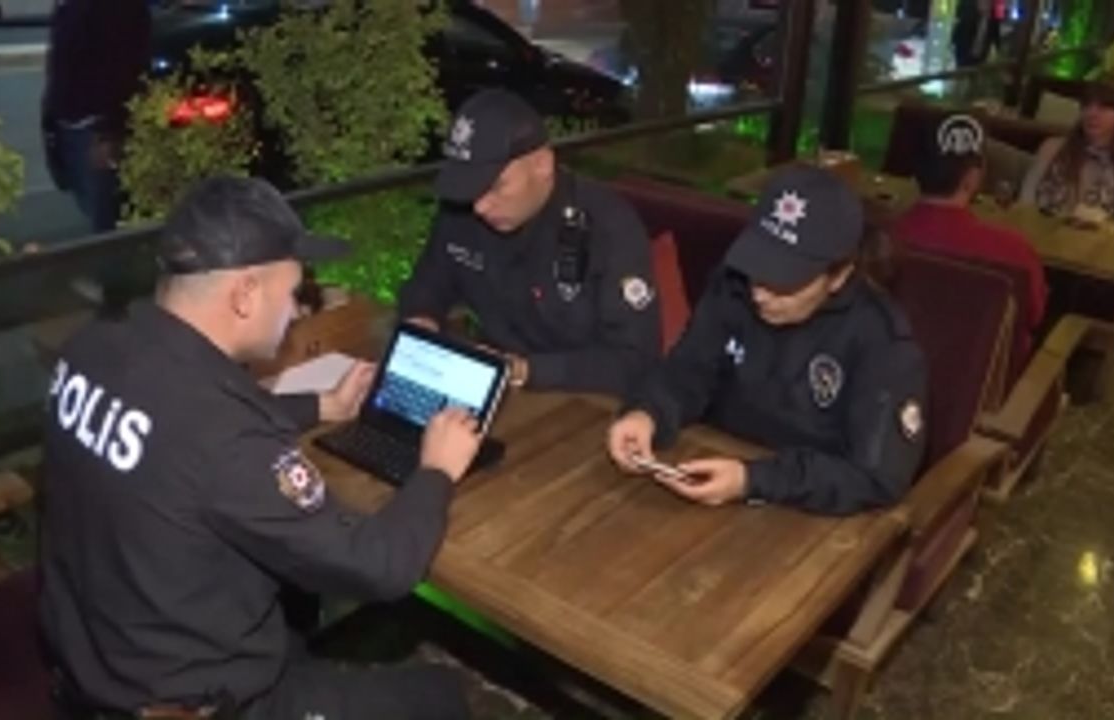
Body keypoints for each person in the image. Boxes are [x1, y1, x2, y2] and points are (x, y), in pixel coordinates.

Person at [39, 176, 479, 720]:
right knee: (440, 698)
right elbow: (379, 566)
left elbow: (180, 431)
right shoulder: (224, 438)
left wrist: (320, 406)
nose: (297, 311)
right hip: (195, 704)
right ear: (245, 294)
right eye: (293, 292)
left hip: (97, 662)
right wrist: (436, 469)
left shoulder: (94, 348)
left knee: (295, 618)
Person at [606, 167, 929, 516]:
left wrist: (752, 480)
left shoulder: (884, 346)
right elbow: (688, 371)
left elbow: (877, 476)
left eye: (783, 282)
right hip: (714, 466)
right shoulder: (734, 285)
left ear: (839, 275)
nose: (759, 293)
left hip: (811, 509)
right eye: (758, 267)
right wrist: (647, 413)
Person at [397, 88, 661, 396]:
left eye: (495, 186)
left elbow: (635, 361)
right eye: (469, 187)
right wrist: (421, 323)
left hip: (584, 401)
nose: (480, 206)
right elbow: (426, 286)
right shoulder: (462, 211)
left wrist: (525, 370)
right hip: (493, 388)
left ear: (541, 165)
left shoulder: (608, 226)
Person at [893, 113, 1048, 355]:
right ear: (972, 178)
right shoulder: (1014, 250)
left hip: (891, 367)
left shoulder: (879, 238)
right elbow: (1034, 315)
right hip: (988, 376)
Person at [42, 0, 151, 233]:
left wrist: (109, 133)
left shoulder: (120, 8)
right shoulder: (70, 6)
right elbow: (60, 62)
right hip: (68, 125)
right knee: (90, 208)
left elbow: (126, 70)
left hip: (96, 129)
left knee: (104, 221)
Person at [1019, 81, 1114, 225]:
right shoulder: (1053, 148)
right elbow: (1024, 204)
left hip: (1096, 239)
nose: (1092, 113)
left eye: (1104, 107)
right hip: (1041, 232)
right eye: (1087, 105)